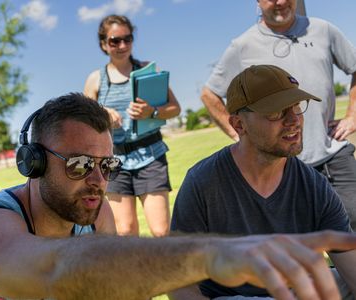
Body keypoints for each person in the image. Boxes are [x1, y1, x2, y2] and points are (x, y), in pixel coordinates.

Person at [0, 93, 356, 300]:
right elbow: (56, 271)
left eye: (107, 165)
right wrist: (207, 255)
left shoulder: (91, 213)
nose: (98, 180)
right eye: (79, 165)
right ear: (33, 163)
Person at [170, 65, 356, 300]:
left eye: (297, 107)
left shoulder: (314, 186)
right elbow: (179, 282)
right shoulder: (203, 182)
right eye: (276, 112)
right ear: (239, 125)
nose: (293, 121)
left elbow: (351, 265)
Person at [201, 0, 356, 230]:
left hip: (331, 154)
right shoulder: (242, 45)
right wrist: (240, 135)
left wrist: (352, 116)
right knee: (290, 250)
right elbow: (209, 94)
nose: (281, 1)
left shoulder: (323, 29)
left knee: (348, 233)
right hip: (281, 167)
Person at [84, 15, 181, 237]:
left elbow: (175, 108)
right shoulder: (95, 80)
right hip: (114, 162)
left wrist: (152, 112)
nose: (122, 45)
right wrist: (102, 115)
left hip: (151, 155)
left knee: (161, 230)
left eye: (127, 39)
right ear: (103, 44)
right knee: (126, 231)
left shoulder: (148, 70)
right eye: (114, 41)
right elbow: (85, 124)